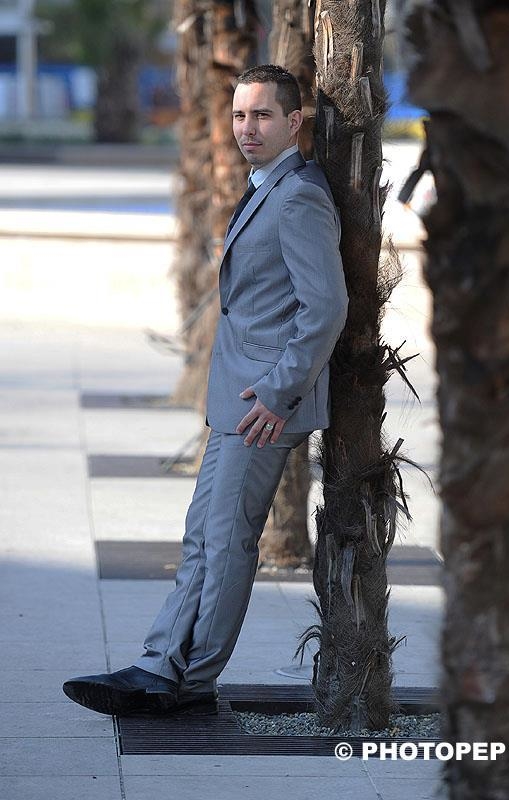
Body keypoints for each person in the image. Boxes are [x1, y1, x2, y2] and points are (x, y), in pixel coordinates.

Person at [63, 65, 348, 716]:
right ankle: (163, 666)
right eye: (240, 115)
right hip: (241, 398)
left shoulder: (298, 195)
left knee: (225, 542)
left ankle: (181, 677)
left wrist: (278, 392)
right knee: (204, 537)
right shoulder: (268, 185)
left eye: (262, 116)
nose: (247, 128)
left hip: (263, 404)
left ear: (294, 123)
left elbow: (325, 307)